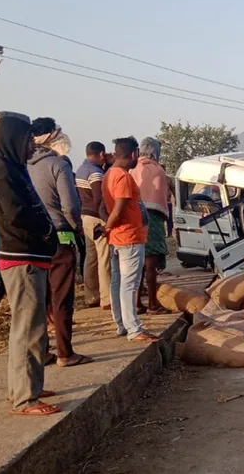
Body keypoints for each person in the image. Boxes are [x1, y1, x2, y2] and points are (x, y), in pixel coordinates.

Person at [0, 112, 60, 415]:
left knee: (25, 325)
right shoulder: (2, 170)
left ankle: (25, 387)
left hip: (27, 254)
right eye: (29, 138)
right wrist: (43, 231)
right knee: (31, 327)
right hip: (22, 256)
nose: (33, 143)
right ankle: (26, 398)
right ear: (15, 138)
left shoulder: (9, 165)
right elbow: (16, 213)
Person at [27, 118, 93, 368]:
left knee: (39, 300)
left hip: (32, 240)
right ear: (52, 138)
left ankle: (42, 351)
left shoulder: (22, 165)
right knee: (62, 298)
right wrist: (77, 229)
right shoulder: (59, 164)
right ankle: (66, 352)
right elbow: (70, 206)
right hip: (60, 237)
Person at [100, 137, 159, 342]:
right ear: (133, 154)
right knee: (129, 284)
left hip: (118, 237)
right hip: (128, 237)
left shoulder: (109, 174)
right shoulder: (123, 177)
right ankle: (134, 329)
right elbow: (119, 209)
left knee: (117, 282)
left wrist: (108, 229)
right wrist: (108, 226)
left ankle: (121, 324)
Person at [130, 137, 171, 315]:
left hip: (134, 217)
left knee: (137, 263)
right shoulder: (158, 170)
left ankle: (137, 303)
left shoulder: (132, 169)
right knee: (150, 264)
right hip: (152, 218)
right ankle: (153, 304)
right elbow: (164, 196)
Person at [76, 142, 111, 310]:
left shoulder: (82, 169)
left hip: (85, 217)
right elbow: (99, 199)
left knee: (91, 258)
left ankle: (91, 296)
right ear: (101, 154)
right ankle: (107, 298)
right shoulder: (96, 172)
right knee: (104, 258)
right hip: (97, 218)